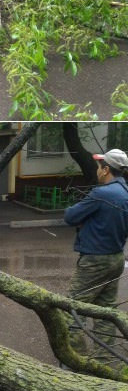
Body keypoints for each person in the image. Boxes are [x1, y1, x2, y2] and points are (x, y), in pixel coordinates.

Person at [63, 148, 128, 360]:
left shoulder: (102, 194)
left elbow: (71, 216)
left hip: (94, 261)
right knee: (106, 311)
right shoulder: (125, 193)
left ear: (106, 169)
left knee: (70, 309)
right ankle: (104, 360)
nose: (97, 170)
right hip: (116, 257)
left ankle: (76, 359)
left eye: (99, 166)